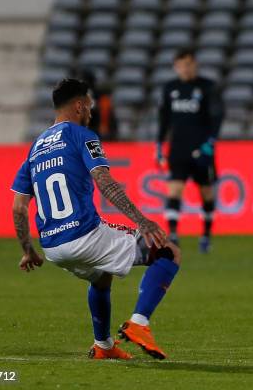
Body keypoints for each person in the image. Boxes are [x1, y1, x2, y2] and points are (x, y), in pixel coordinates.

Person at [11, 78, 181, 360]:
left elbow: (19, 207)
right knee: (168, 251)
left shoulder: (36, 147)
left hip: (53, 247)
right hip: (83, 235)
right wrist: (142, 221)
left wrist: (28, 250)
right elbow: (105, 182)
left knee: (102, 277)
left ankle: (103, 346)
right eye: (89, 107)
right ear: (79, 106)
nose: (91, 113)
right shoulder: (81, 136)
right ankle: (140, 323)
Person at [156, 47, 224, 253]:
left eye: (188, 64)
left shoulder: (208, 87)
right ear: (176, 67)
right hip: (178, 148)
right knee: (174, 189)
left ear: (195, 64)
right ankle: (174, 234)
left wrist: (210, 143)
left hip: (202, 148)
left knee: (206, 192)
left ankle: (205, 235)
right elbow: (164, 118)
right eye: (181, 65)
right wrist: (159, 144)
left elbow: (217, 116)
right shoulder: (170, 88)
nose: (185, 68)